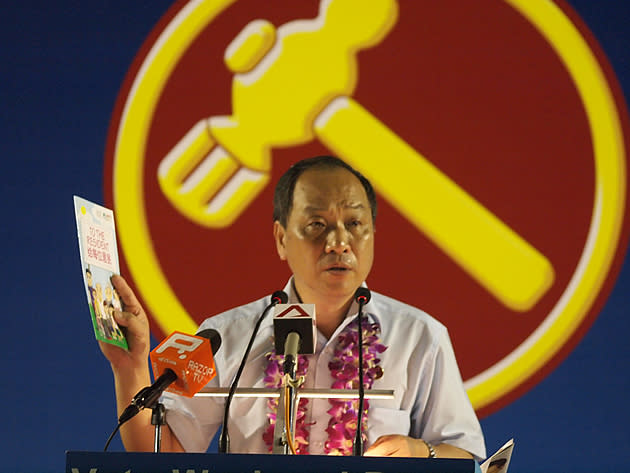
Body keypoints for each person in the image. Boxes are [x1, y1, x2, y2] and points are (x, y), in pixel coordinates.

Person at [100, 155, 485, 459]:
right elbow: (163, 455)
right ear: (282, 239)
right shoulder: (227, 336)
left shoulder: (418, 336)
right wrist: (130, 366)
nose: (339, 242)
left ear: (373, 234)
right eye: (317, 224)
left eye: (355, 223)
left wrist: (421, 451)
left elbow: (470, 459)